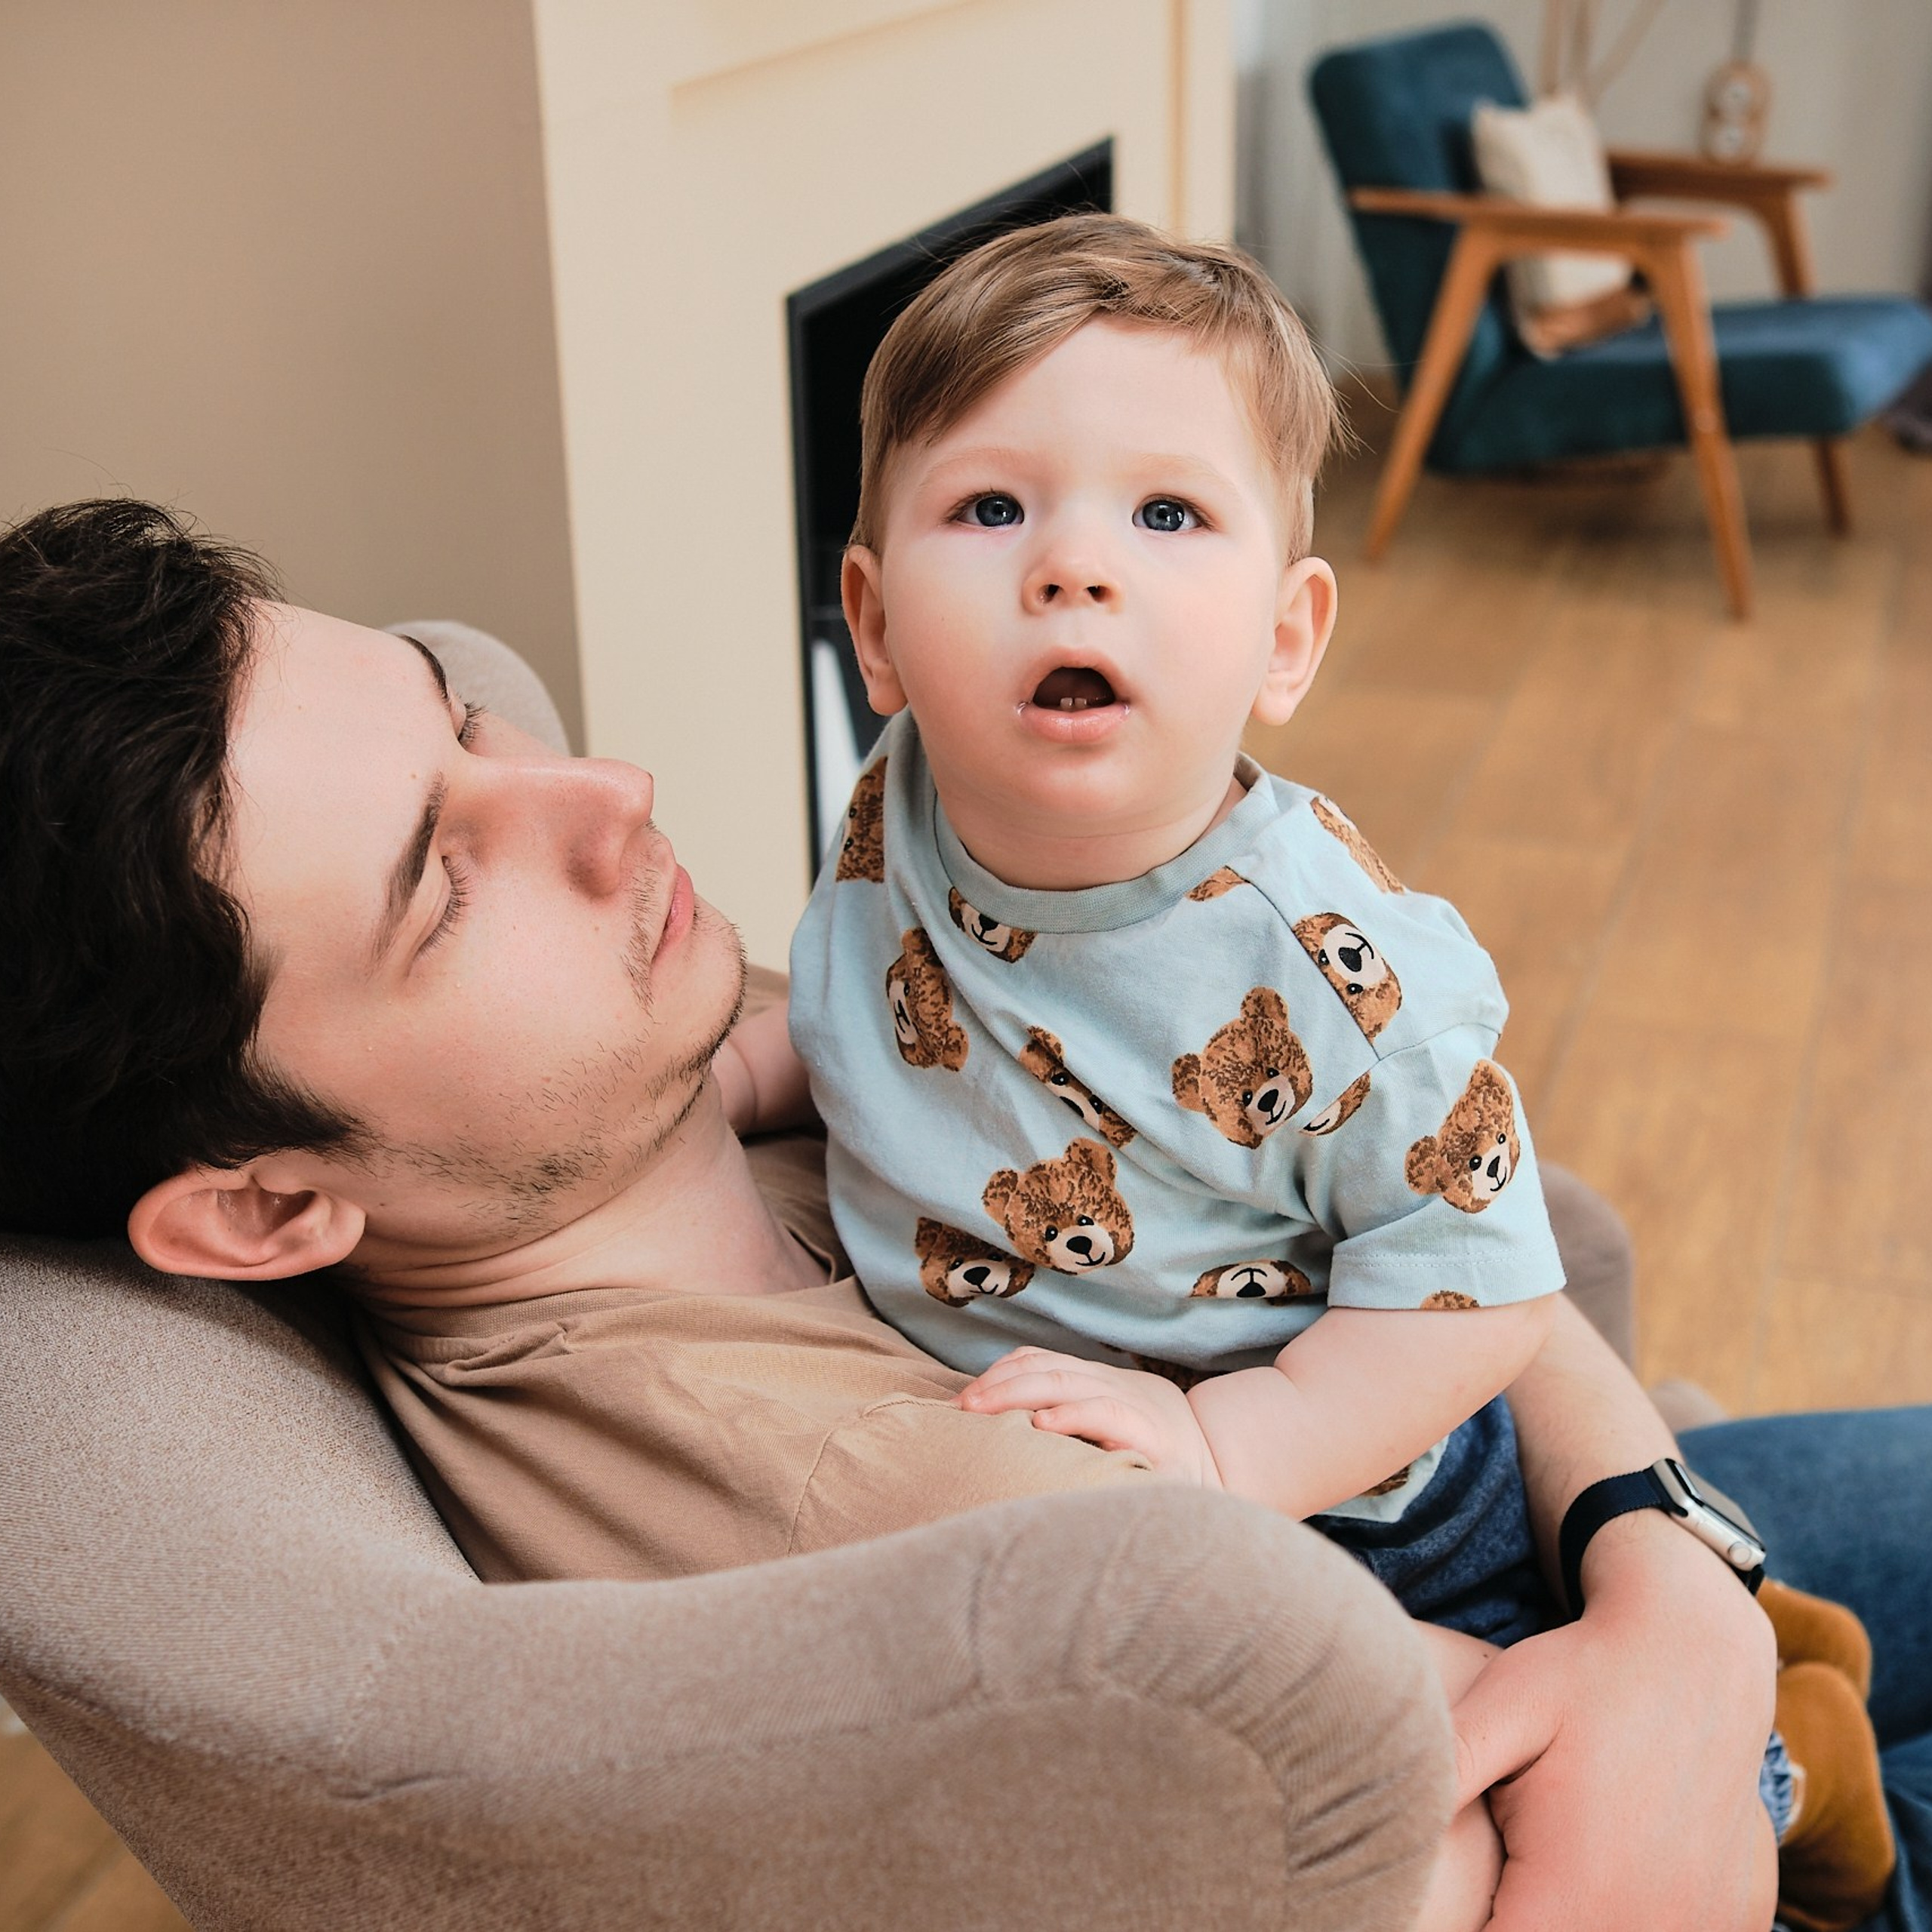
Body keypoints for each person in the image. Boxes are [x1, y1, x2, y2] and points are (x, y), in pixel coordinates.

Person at [0, 497, 1925, 1930]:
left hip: (1569, 1526)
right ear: (265, 1209)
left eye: (466, 723)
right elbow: (1475, 1811)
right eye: (442, 876)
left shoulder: (677, 1078)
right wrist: (1689, 1632)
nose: (604, 791)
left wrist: (1668, 1548)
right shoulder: (885, 1487)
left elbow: (1428, 1215)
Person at [774, 214, 1887, 1930]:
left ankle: (1781, 1751)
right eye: (990, 507)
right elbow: (904, 1014)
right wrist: (741, 1071)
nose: (1072, 566)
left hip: (1352, 1493)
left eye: (1165, 515)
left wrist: (1236, 1444)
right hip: (1134, 1521)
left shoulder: (1329, 968)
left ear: (1285, 640)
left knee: (1566, 1826)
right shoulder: (899, 802)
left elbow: (1480, 1287)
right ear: (871, 622)